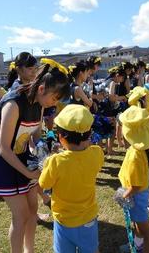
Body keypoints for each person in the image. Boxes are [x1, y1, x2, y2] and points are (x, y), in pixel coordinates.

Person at [0, 59, 70, 253]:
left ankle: (29, 250)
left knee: (32, 210)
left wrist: (47, 152)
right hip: (4, 163)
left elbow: (36, 135)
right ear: (41, 89)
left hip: (23, 159)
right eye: (54, 98)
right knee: (20, 215)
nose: (54, 104)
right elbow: (3, 147)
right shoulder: (13, 104)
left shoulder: (39, 104)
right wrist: (29, 173)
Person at [39, 104, 104, 253]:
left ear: (61, 137)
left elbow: (44, 183)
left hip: (64, 219)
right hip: (88, 217)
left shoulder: (55, 161)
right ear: (89, 134)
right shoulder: (97, 153)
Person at [118, 105, 149, 253]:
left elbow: (134, 186)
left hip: (136, 196)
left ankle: (147, 249)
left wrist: (123, 196)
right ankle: (137, 245)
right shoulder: (137, 149)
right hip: (137, 195)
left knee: (146, 230)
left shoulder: (135, 154)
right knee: (138, 225)